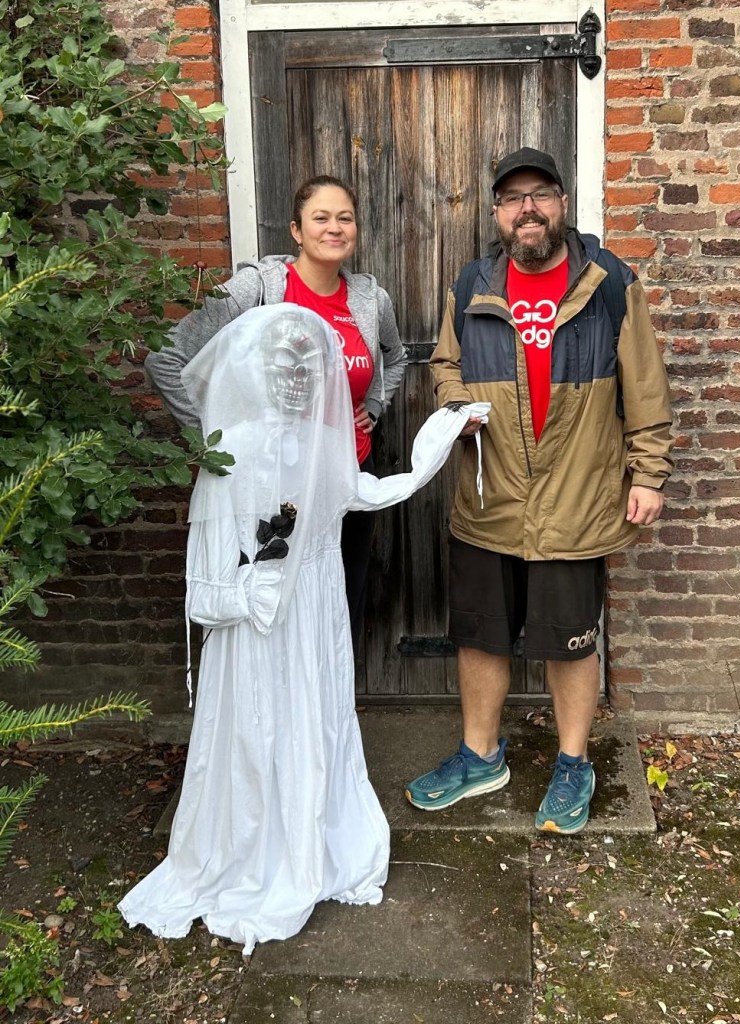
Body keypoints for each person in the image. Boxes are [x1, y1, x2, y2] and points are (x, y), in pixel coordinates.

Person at [118, 303, 489, 950]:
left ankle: (312, 837)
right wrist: (248, 594)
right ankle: (255, 848)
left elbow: (367, 492)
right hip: (259, 627)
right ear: (256, 370)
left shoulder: (324, 445)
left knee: (313, 715)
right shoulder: (229, 451)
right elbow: (205, 581)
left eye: (308, 364)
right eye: (282, 364)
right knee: (258, 723)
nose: (295, 377)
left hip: (314, 612)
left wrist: (441, 433)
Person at [404, 147, 674, 834]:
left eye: (540, 194)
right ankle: (479, 754)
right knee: (480, 637)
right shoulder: (469, 285)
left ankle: (573, 761)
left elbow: (643, 384)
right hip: (489, 500)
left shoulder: (607, 281)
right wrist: (457, 404)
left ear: (560, 204)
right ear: (497, 213)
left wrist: (647, 472)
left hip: (577, 499)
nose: (527, 208)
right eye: (512, 197)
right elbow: (445, 362)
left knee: (569, 642)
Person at [144, 175, 407, 648]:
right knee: (271, 608)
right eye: (321, 218)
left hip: (346, 475)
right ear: (296, 230)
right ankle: (272, 717)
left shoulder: (370, 300)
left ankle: (326, 713)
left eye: (344, 218)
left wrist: (373, 404)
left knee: (340, 599)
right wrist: (214, 445)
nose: (334, 228)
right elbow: (166, 357)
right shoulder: (259, 289)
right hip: (271, 482)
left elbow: (397, 356)